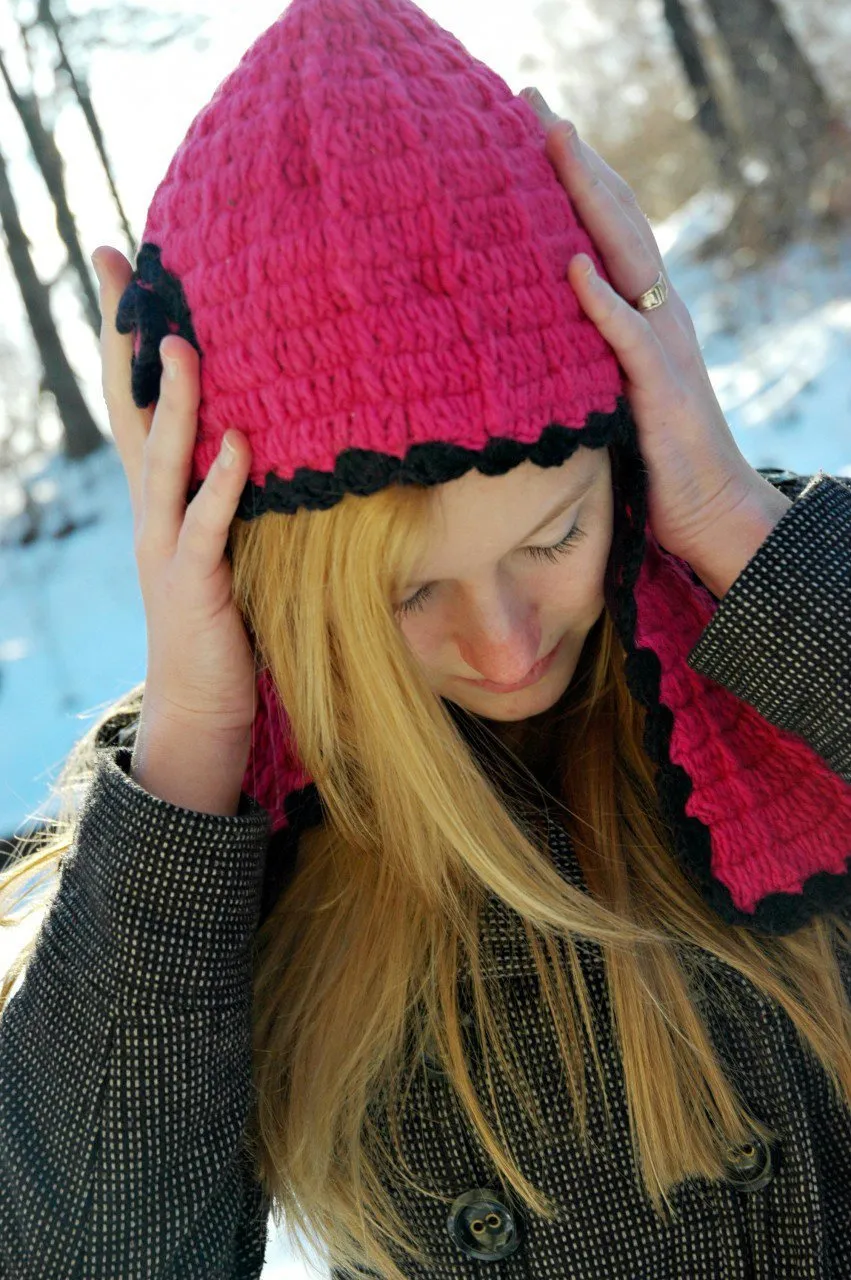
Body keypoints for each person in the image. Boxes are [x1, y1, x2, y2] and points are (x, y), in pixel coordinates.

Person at [2, 0, 851, 1276]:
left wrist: (737, 523)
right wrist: (193, 743)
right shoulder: (213, 825)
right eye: (405, 594)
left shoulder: (774, 644)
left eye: (552, 535)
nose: (505, 646)